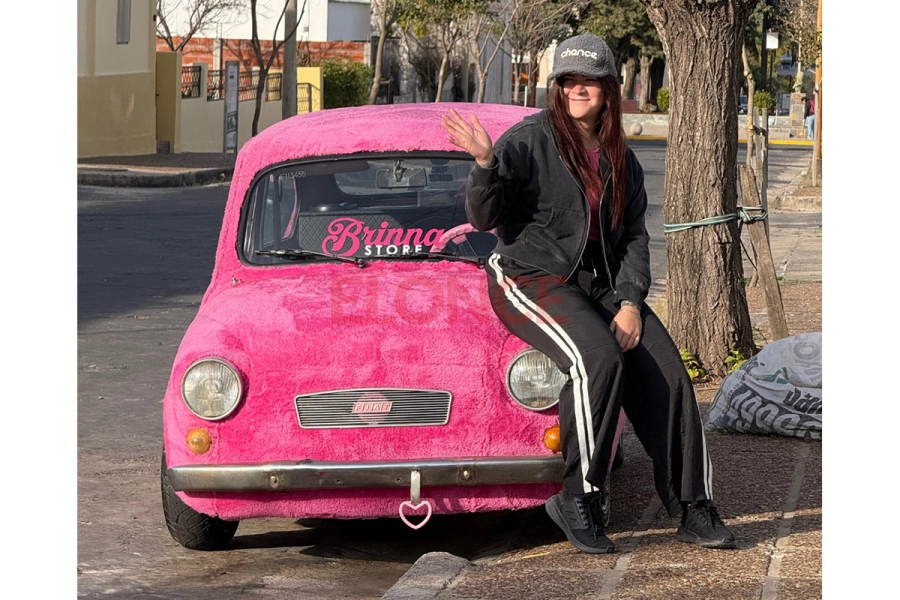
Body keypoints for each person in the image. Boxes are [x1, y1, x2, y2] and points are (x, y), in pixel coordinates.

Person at [440, 33, 737, 554]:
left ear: (608, 88)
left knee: (667, 372)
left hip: (601, 285)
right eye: (570, 80)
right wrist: (485, 164)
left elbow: (635, 239)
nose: (580, 89)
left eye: (590, 81)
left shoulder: (623, 158)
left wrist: (629, 302)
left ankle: (693, 505)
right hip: (530, 276)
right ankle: (579, 495)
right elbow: (485, 218)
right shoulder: (527, 141)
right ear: (557, 88)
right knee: (597, 358)